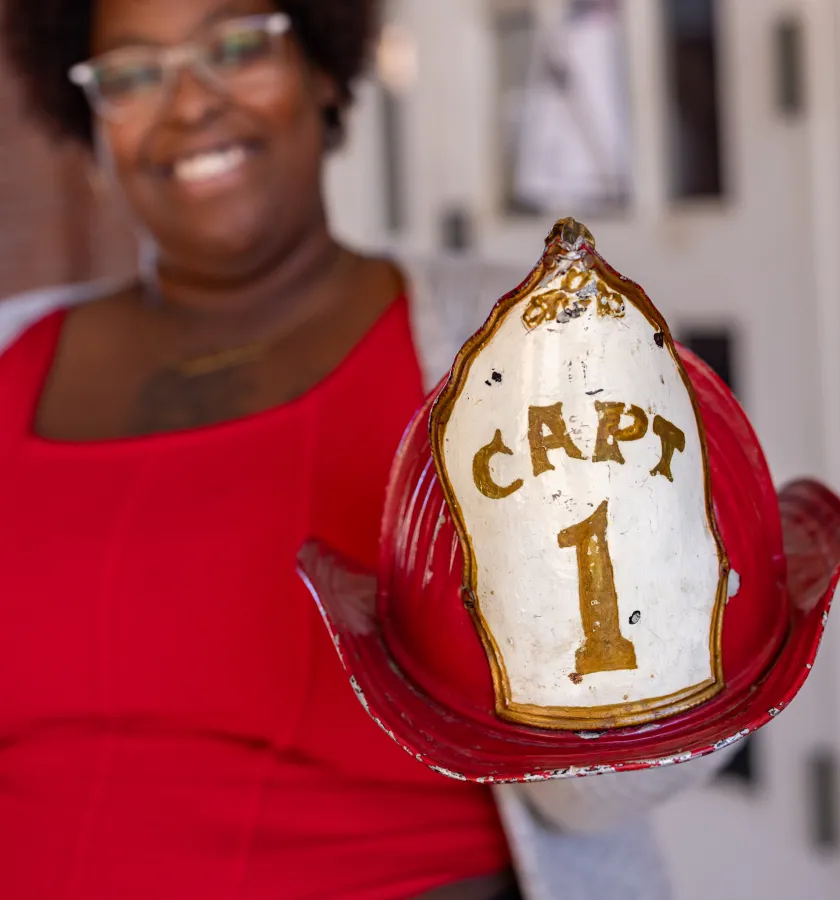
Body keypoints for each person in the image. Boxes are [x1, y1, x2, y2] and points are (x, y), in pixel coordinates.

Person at [0, 1, 731, 897]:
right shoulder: (11, 356)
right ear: (91, 119)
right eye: (133, 74)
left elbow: (621, 777)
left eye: (237, 47)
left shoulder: (525, 347)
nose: (189, 103)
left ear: (319, 69)